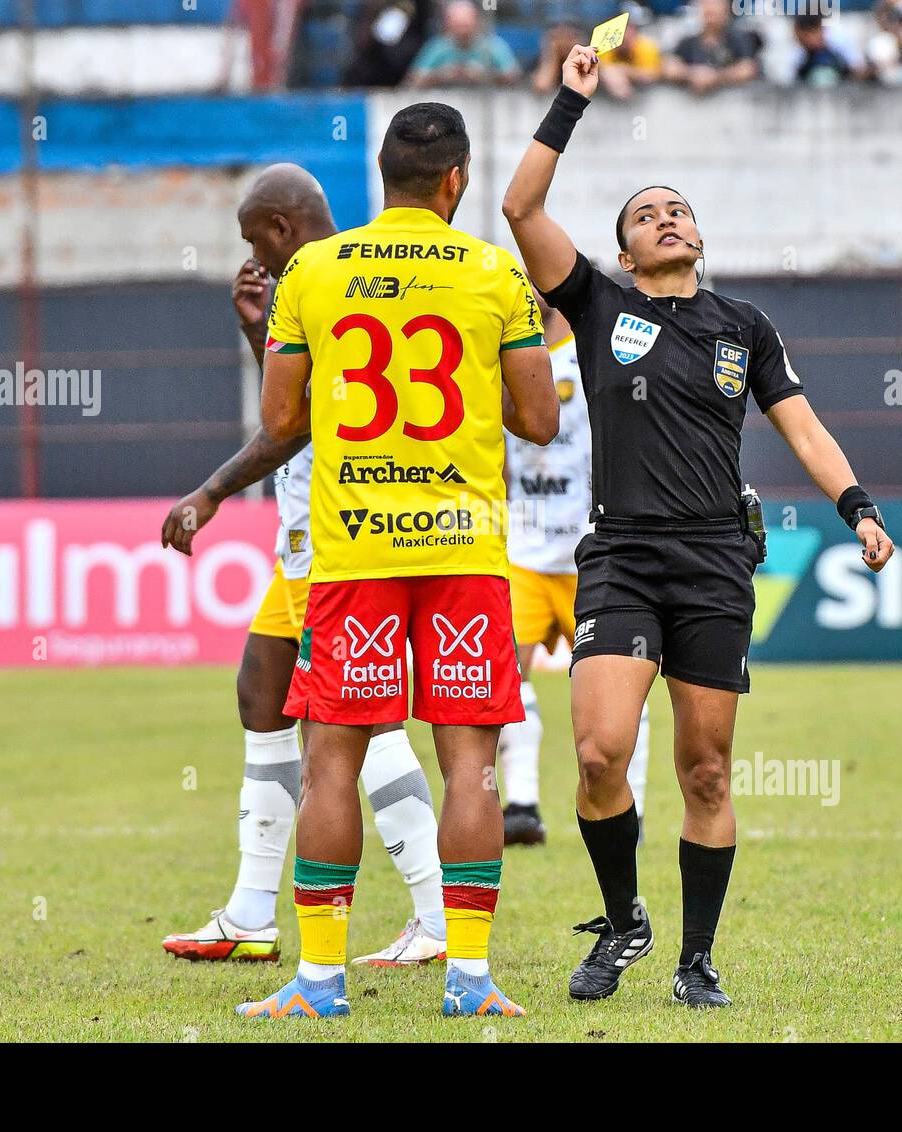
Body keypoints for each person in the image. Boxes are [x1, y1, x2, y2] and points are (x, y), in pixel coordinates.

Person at [502, 46, 896, 1008]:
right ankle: (625, 919)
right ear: (626, 252)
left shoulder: (744, 326)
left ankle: (696, 959)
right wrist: (571, 102)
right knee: (599, 751)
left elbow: (801, 426)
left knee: (706, 770)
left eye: (680, 208)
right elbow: (520, 209)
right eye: (647, 213)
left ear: (699, 237)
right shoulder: (598, 306)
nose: (668, 217)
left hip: (718, 559)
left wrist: (861, 508)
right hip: (623, 556)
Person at [238, 103, 558, 1021]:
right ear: (456, 181)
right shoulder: (498, 273)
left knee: (333, 757)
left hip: (354, 551)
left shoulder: (313, 270)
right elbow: (538, 422)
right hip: (462, 549)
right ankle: (469, 980)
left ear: (382, 176)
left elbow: (281, 423)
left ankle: (320, 984)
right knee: (472, 763)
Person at [159, 164, 447, 971]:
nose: (253, 253)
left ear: (282, 229)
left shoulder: (333, 277)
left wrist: (210, 492)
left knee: (360, 719)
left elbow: (301, 424)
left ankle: (435, 914)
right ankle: (251, 913)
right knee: (262, 693)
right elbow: (297, 401)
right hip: (306, 534)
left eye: (256, 239)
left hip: (343, 530)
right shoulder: (327, 279)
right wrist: (258, 329)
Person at [499, 287, 650, 847]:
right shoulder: (509, 356)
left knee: (621, 687)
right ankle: (521, 805)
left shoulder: (596, 352)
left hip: (595, 547)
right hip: (524, 551)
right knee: (504, 678)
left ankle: (629, 808)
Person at [405, 0, 521, 88]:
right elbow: (414, 79)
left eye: (466, 26)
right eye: (458, 26)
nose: (462, 31)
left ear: (476, 22)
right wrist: (441, 75)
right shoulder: (437, 47)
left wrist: (484, 75)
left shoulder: (492, 45)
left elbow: (514, 76)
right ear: (448, 24)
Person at [663, 0, 761, 95]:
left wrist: (716, 76)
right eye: (706, 3)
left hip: (733, 105)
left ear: (726, 8)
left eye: (715, 3)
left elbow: (748, 68)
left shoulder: (740, 37)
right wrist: (691, 73)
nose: (710, 7)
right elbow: (670, 66)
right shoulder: (689, 41)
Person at [343, 0, 434, 89]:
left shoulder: (417, 12)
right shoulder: (377, 13)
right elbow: (365, 41)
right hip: (372, 73)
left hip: (399, 71)